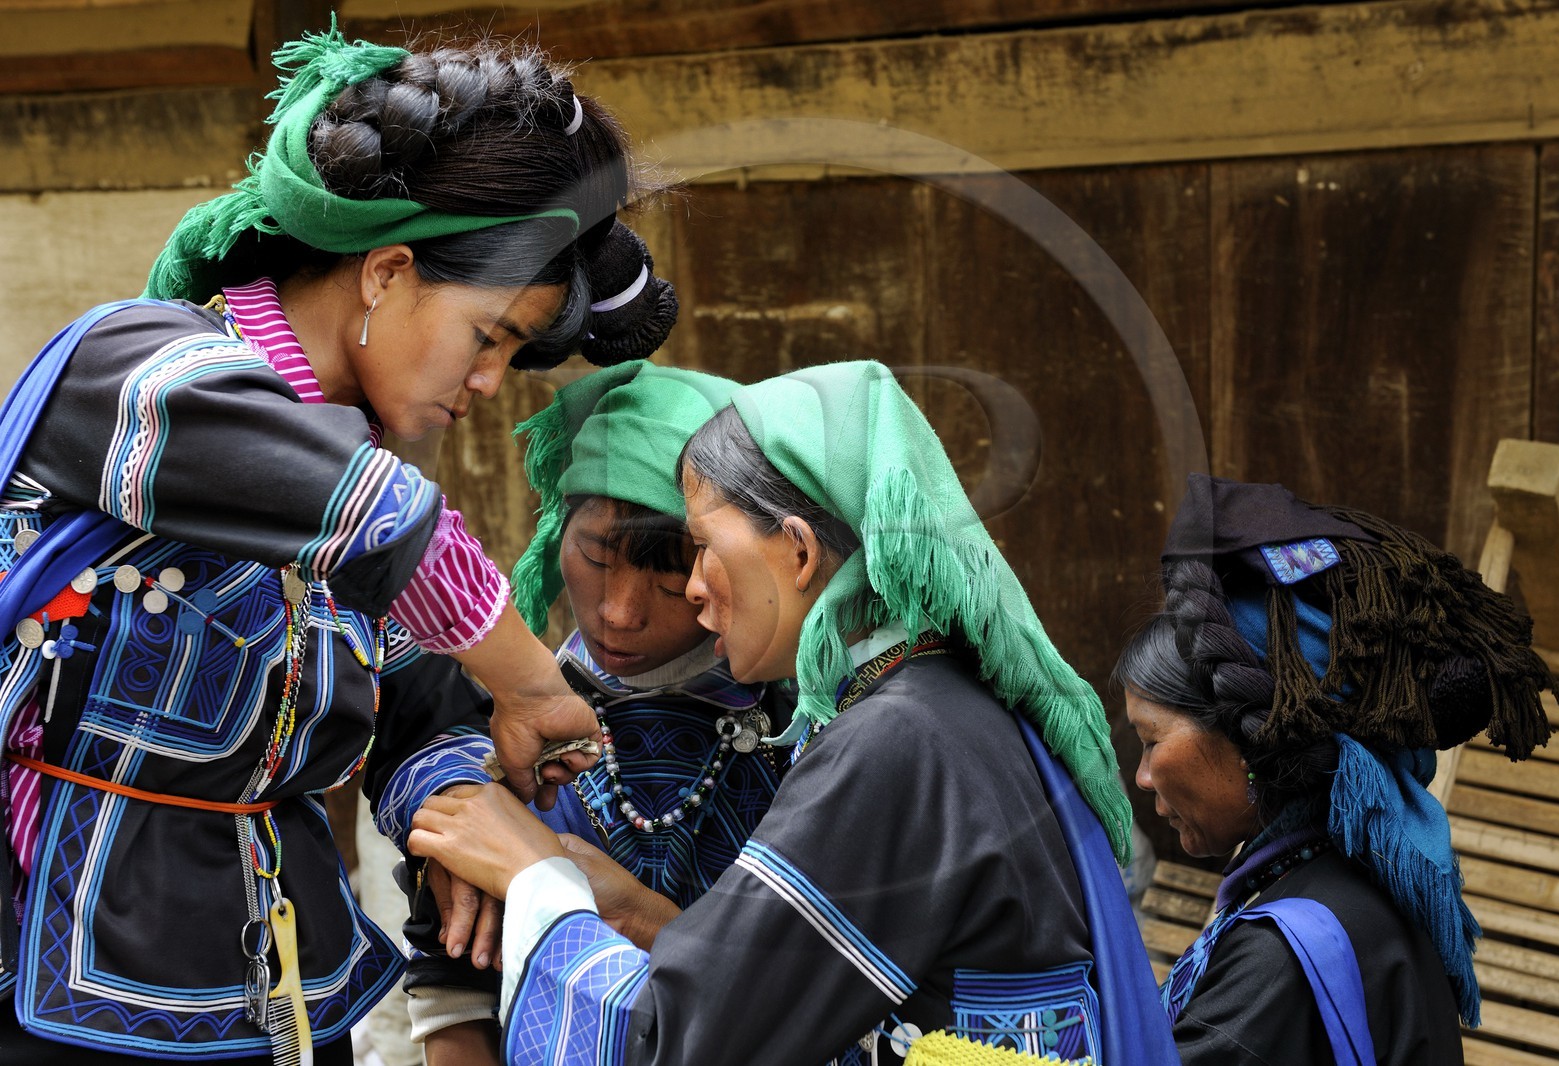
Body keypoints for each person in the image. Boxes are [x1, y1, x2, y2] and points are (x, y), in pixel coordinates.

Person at [0, 24, 680, 1064]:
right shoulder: (140, 370)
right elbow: (379, 523)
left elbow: (423, 704)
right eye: (489, 334)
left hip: (275, 991)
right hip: (57, 987)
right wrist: (538, 684)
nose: (489, 382)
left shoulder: (359, 491)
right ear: (389, 272)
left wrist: (460, 821)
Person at [409, 361, 1179, 1065]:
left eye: (700, 549)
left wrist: (540, 879)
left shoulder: (895, 741)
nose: (699, 590)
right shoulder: (927, 706)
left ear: (801, 554)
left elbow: (687, 1040)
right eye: (598, 557)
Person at [405, 361, 790, 1064]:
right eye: (594, 555)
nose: (620, 612)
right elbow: (454, 997)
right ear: (558, 531)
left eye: (671, 578)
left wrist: (639, 916)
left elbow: (805, 992)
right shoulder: (502, 733)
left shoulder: (804, 736)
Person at [1113, 474, 1559, 1065]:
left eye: (1150, 741)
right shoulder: (1353, 882)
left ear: (1250, 740)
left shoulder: (1282, 958)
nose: (1143, 777)